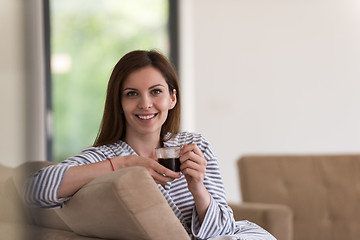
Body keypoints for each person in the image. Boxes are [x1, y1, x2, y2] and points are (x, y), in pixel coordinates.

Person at [24, 50, 276, 240]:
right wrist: (124, 164)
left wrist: (198, 187)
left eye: (156, 91)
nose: (145, 104)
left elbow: (222, 230)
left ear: (172, 98)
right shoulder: (105, 156)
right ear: (119, 103)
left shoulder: (194, 145)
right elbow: (34, 188)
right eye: (132, 94)